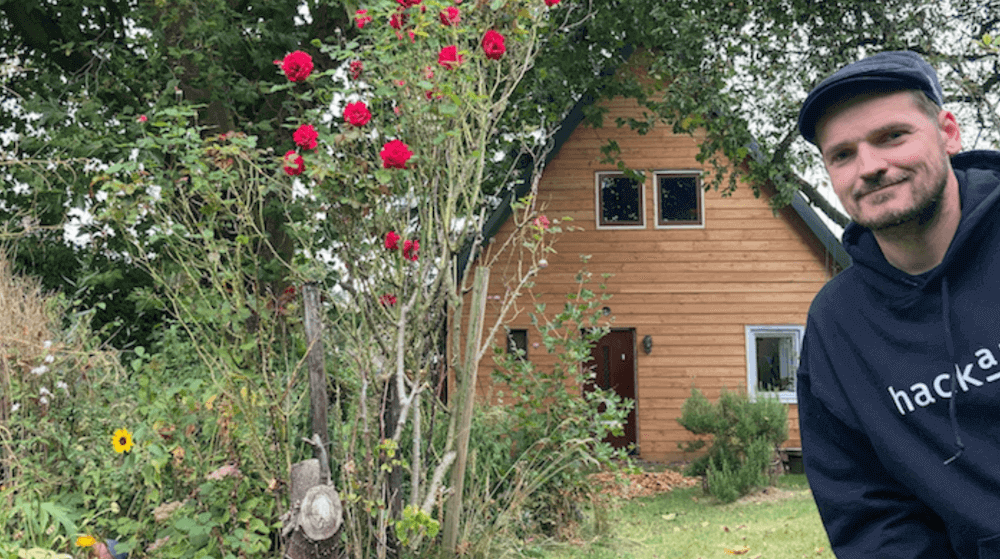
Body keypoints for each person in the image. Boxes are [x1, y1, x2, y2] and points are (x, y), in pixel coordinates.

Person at [795, 50, 1000, 558]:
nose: (870, 167)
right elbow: (870, 514)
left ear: (948, 133)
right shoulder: (836, 326)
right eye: (843, 155)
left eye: (892, 136)